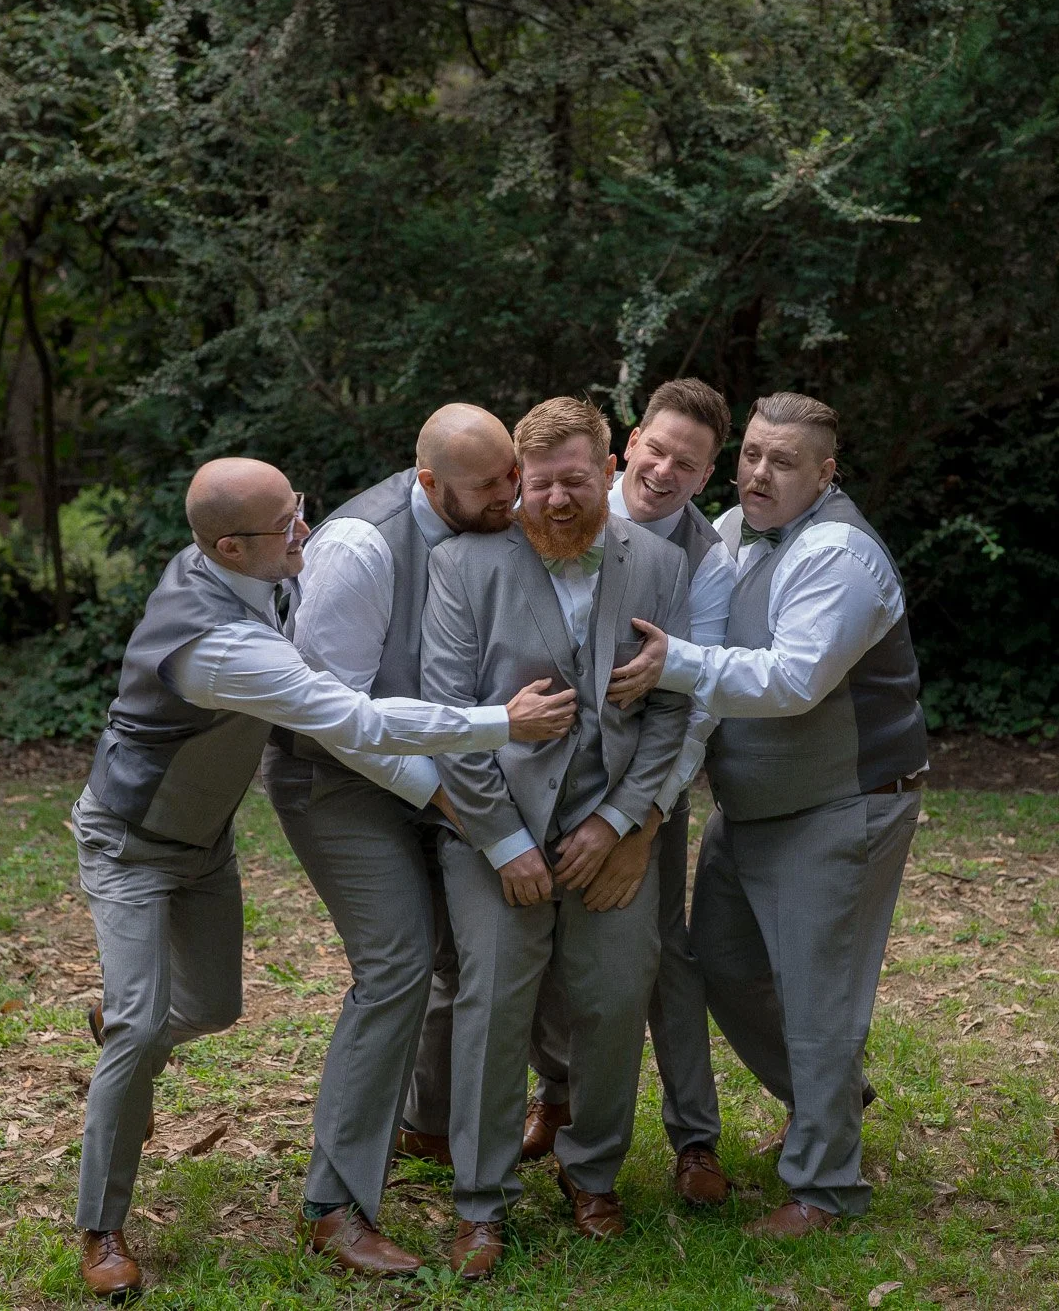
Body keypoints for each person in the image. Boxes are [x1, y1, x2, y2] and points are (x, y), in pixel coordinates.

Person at [69, 456, 576, 1299]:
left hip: (205, 842)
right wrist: (503, 721)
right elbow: (356, 717)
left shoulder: (245, 566)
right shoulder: (220, 648)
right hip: (130, 843)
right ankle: (102, 1228)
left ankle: (131, 1027)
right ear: (229, 547)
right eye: (287, 523)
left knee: (212, 1008)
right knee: (140, 1023)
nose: (307, 527)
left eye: (297, 506)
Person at [620, 392, 927, 1237]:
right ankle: (831, 1101)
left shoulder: (839, 555)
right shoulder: (728, 531)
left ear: (825, 474)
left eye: (782, 461)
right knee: (719, 961)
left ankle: (825, 1187)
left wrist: (673, 662)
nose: (758, 473)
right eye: (751, 453)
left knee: (819, 997)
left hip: (842, 803)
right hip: (755, 804)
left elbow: (793, 680)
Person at [420, 397, 692, 1279]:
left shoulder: (659, 562)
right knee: (494, 1003)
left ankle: (594, 1173)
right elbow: (448, 717)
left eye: (575, 480)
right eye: (539, 485)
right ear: (516, 481)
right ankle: (481, 1200)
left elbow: (672, 711)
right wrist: (505, 841)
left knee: (614, 999)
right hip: (493, 832)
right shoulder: (461, 565)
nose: (557, 500)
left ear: (609, 468)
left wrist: (618, 823)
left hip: (611, 828)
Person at [260, 404, 520, 1275]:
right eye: (489, 484)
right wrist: (442, 793)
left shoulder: (489, 516)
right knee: (398, 961)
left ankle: (426, 1125)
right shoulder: (359, 547)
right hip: (334, 779)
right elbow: (331, 715)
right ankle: (333, 1206)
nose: (510, 495)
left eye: (513, 474)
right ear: (430, 481)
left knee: (459, 953)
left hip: (430, 770)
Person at [518, 379, 739, 1207]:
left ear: (708, 474)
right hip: (537, 785)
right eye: (658, 449)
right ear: (631, 445)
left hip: (649, 784)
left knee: (658, 953)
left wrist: (639, 826)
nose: (666, 471)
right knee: (541, 948)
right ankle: (558, 1093)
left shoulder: (703, 560)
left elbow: (697, 704)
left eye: (689, 463)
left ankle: (695, 1137)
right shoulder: (562, 498)